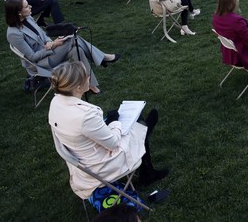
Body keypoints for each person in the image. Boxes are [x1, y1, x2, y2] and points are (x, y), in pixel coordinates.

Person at [48, 61, 169, 201]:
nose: (89, 78)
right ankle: (147, 169)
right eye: (87, 76)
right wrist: (114, 122)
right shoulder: (85, 116)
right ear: (79, 87)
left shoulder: (56, 102)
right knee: (138, 126)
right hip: (101, 164)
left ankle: (147, 169)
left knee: (134, 122)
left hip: (83, 155)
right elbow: (113, 144)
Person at [5, 0, 120, 94]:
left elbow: (43, 35)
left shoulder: (28, 18)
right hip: (40, 63)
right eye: (26, 6)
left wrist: (50, 42)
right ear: (18, 12)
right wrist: (53, 45)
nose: (30, 7)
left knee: (77, 50)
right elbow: (32, 57)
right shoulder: (14, 34)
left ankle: (90, 85)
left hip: (49, 52)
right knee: (72, 39)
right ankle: (103, 57)